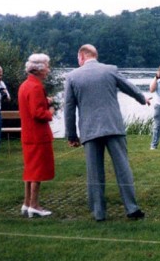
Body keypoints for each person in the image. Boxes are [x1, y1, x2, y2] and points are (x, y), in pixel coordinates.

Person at [64, 44, 151, 222]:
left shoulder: (72, 77)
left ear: (81, 57)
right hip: (113, 126)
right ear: (95, 55)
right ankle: (132, 209)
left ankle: (99, 213)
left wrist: (72, 135)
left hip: (89, 129)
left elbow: (69, 109)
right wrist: (143, 99)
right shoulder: (110, 70)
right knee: (123, 168)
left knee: (94, 172)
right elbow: (129, 87)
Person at [18, 54, 56, 218]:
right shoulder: (35, 87)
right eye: (47, 66)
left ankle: (27, 204)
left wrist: (46, 101)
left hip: (28, 135)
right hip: (37, 136)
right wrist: (51, 111)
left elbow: (30, 105)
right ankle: (34, 205)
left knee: (30, 170)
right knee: (37, 172)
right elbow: (38, 113)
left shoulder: (25, 85)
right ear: (39, 69)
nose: (48, 69)